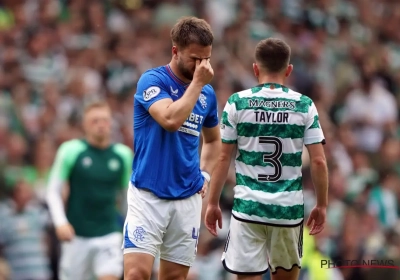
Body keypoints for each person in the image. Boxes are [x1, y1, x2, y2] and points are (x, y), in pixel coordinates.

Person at [204, 38, 329, 280]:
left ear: (255, 69)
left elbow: (222, 158)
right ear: (288, 70)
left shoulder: (237, 102)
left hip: (248, 209)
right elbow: (319, 162)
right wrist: (322, 205)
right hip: (287, 210)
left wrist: (212, 203)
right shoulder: (304, 105)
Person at [122, 17, 221, 280]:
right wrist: (197, 84)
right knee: (135, 274)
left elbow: (213, 140)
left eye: (207, 59)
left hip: (187, 198)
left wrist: (206, 175)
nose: (202, 66)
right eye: (195, 59)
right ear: (175, 50)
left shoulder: (208, 95)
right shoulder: (152, 80)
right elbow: (170, 120)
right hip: (148, 196)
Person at [46, 101, 133, 280]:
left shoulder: (123, 155)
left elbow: (127, 196)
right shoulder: (71, 151)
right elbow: (53, 191)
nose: (101, 125)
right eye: (95, 121)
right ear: (85, 125)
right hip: (76, 236)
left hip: (109, 234)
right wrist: (60, 222)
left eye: (105, 120)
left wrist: (128, 226)